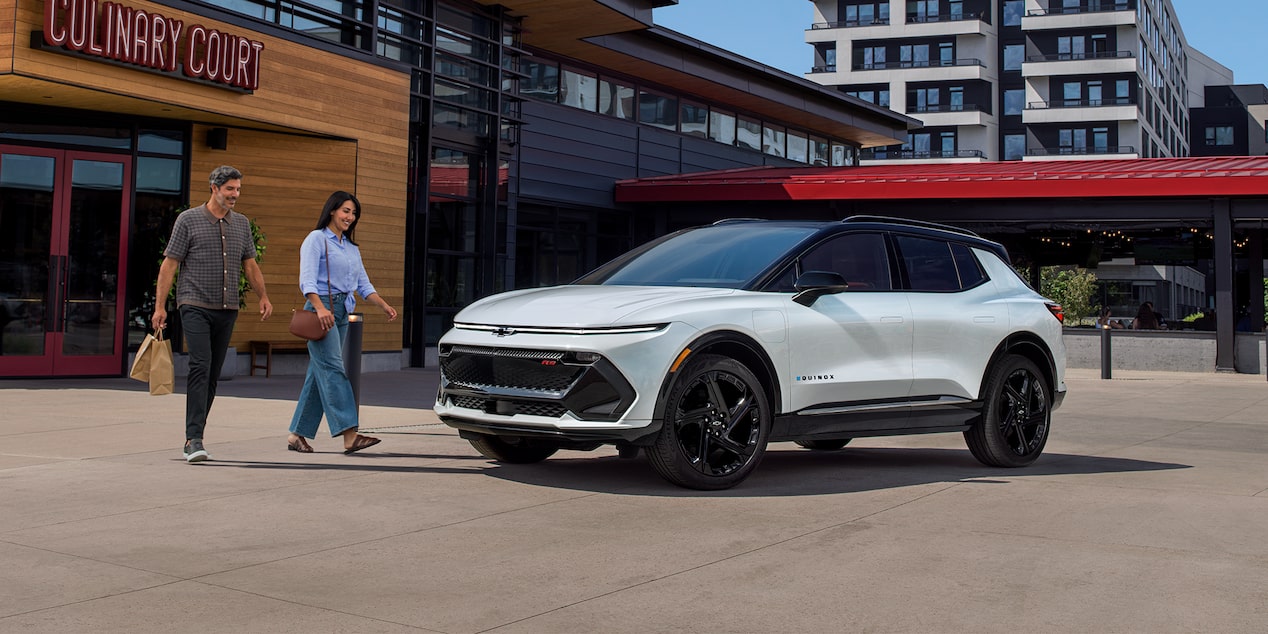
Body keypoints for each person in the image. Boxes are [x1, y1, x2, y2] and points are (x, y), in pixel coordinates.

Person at [153, 166, 273, 463]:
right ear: (214, 188)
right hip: (193, 304)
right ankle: (194, 438)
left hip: (227, 307)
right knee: (200, 366)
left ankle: (194, 435)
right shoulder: (188, 220)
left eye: (238, 189)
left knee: (212, 374)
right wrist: (159, 307)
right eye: (230, 189)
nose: (235, 195)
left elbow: (250, 265)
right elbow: (169, 265)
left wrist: (263, 296)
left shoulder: (241, 224)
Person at [286, 191, 397, 454]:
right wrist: (320, 307)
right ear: (333, 210)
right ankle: (350, 434)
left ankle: (297, 434)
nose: (350, 216)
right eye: (346, 210)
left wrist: (383, 305)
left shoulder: (350, 247)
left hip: (342, 311)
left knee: (319, 373)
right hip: (321, 310)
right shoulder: (316, 239)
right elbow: (307, 279)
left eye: (354, 213)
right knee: (334, 369)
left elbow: (362, 284)